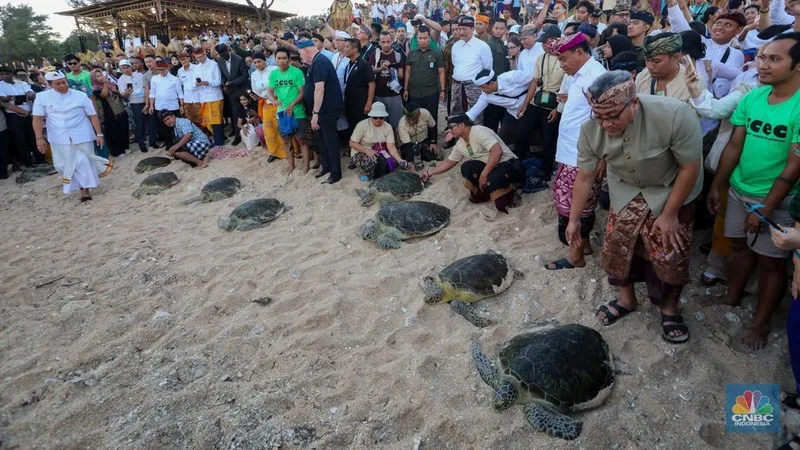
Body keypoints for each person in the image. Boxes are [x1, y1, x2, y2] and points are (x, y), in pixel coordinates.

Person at [568, 71, 702, 344]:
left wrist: (669, 213)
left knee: (669, 250)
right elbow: (585, 177)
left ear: (634, 103)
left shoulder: (675, 115)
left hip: (671, 188)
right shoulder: (590, 129)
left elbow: (690, 167)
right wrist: (574, 219)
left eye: (613, 115)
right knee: (618, 247)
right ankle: (626, 300)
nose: (605, 124)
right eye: (599, 116)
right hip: (626, 189)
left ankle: (669, 309)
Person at [705, 33, 800, 350]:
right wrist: (719, 185)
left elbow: (793, 167)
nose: (763, 64)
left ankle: (759, 325)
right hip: (738, 189)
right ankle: (732, 297)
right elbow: (734, 145)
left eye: (774, 59)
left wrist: (767, 209)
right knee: (740, 248)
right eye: (761, 57)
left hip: (780, 201)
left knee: (771, 263)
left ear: (797, 66)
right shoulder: (754, 97)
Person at [543, 32, 606, 271]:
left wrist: (602, 157)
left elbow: (604, 119)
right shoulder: (580, 75)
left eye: (564, 58)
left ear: (580, 52)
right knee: (574, 202)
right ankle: (584, 246)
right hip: (571, 151)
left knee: (574, 206)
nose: (561, 64)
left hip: (582, 155)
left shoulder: (596, 77)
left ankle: (575, 255)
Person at [32, 72, 111, 202]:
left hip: (82, 134)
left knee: (83, 162)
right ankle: (78, 185)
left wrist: (99, 134)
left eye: (64, 82)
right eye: (58, 83)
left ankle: (85, 191)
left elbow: (92, 115)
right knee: (62, 165)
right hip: (59, 137)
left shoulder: (80, 96)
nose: (62, 85)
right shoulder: (42, 98)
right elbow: (37, 119)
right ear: (50, 84)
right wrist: (39, 138)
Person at [421, 114, 522, 212]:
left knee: (494, 180)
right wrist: (429, 173)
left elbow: (497, 152)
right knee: (467, 167)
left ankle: (513, 191)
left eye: (451, 127)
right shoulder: (460, 143)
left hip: (508, 163)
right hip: (491, 166)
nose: (449, 131)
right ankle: (484, 195)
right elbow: (449, 162)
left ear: (462, 125)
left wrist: (484, 174)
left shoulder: (479, 132)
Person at [518, 25, 564, 180]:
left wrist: (558, 109)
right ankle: (520, 163)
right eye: (542, 42)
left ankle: (546, 170)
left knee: (549, 138)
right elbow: (534, 82)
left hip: (554, 103)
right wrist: (525, 104)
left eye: (546, 42)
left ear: (555, 40)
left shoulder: (565, 58)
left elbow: (568, 88)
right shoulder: (541, 58)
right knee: (522, 131)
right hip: (537, 101)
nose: (543, 45)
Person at [299, 37, 345, 184]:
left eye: (301, 54)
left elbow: (320, 89)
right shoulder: (316, 61)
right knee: (321, 139)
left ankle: (336, 174)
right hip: (320, 110)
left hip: (326, 110)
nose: (301, 58)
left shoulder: (321, 62)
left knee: (330, 140)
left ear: (306, 51)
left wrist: (315, 113)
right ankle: (326, 167)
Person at [268, 48, 312, 175]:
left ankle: (306, 167)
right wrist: (273, 99)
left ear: (289, 59)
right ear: (275, 59)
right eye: (279, 58)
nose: (282, 61)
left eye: (284, 58)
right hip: (282, 113)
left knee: (301, 139)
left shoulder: (297, 72)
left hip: (297, 111)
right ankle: (291, 166)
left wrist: (292, 104)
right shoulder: (274, 74)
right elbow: (270, 90)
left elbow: (302, 92)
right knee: (286, 141)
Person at [635, 33, 701, 104]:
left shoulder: (693, 83)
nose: (650, 66)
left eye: (656, 61)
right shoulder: (642, 76)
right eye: (647, 60)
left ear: (676, 57)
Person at [450, 15, 494, 120]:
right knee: (457, 117)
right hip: (457, 87)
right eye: (459, 29)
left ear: (472, 29)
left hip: (474, 88)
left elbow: (487, 68)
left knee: (474, 117)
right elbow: (455, 64)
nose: (461, 32)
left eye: (464, 29)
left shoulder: (482, 46)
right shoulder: (456, 46)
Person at [349, 101, 407, 178]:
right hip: (362, 151)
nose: (378, 119)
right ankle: (370, 175)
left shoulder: (388, 127)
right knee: (376, 162)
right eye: (375, 117)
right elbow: (352, 143)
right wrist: (366, 151)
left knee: (395, 160)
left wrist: (400, 160)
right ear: (371, 116)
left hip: (381, 151)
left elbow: (391, 147)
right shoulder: (362, 125)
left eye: (381, 117)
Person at [404, 26, 445, 131]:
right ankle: (418, 142)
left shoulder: (437, 53)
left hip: (431, 92)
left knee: (432, 117)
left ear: (429, 39)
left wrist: (442, 90)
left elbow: (441, 72)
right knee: (415, 117)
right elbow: (407, 71)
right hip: (414, 92)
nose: (423, 40)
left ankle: (433, 142)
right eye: (420, 38)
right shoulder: (411, 54)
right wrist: (405, 89)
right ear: (417, 39)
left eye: (425, 38)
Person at [0, 66, 40, 167]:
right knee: (20, 139)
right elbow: (4, 99)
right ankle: (28, 163)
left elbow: (30, 92)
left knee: (34, 137)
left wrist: (29, 94)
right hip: (14, 116)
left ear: (12, 74)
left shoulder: (22, 83)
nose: (4, 76)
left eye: (6, 73)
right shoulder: (0, 86)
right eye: (1, 74)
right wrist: (17, 98)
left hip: (30, 113)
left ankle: (40, 160)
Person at [250, 52, 284, 162]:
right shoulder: (254, 74)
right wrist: (259, 96)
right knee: (269, 129)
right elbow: (255, 89)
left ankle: (287, 150)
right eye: (255, 62)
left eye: (259, 61)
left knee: (281, 127)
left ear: (264, 60)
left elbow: (280, 84)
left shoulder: (274, 70)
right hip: (265, 103)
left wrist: (274, 96)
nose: (257, 64)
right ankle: (274, 152)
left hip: (278, 101)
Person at [369, 31, 406, 127]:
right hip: (378, 95)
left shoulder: (398, 55)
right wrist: (380, 68)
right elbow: (370, 71)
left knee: (397, 124)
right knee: (379, 124)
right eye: (383, 42)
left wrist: (392, 70)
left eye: (388, 42)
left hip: (395, 95)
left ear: (392, 41)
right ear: (379, 43)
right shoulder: (375, 55)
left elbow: (401, 75)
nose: (386, 44)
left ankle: (396, 141)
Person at [91, 69, 130, 157]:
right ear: (94, 78)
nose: (100, 78)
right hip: (108, 113)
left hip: (120, 109)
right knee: (113, 132)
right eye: (97, 76)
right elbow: (104, 95)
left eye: (101, 75)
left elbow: (119, 94)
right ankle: (117, 151)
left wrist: (124, 94)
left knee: (123, 128)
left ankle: (125, 147)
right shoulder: (95, 89)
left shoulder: (112, 84)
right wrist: (105, 83)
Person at [216, 44, 249, 146]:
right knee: (235, 113)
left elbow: (245, 76)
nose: (223, 56)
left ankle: (247, 133)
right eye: (221, 55)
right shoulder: (220, 61)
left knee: (244, 112)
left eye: (224, 54)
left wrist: (232, 82)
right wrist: (224, 82)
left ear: (228, 50)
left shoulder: (239, 59)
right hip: (231, 91)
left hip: (242, 90)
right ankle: (237, 135)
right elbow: (223, 76)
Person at [344, 39, 376, 139]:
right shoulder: (349, 64)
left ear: (355, 50)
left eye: (347, 47)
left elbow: (372, 84)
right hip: (350, 103)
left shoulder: (364, 64)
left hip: (361, 104)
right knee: (352, 128)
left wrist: (369, 103)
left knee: (363, 129)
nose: (344, 49)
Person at [193, 47, 226, 146]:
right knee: (207, 121)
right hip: (203, 97)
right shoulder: (196, 67)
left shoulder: (213, 64)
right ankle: (218, 138)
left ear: (204, 54)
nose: (200, 59)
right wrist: (196, 84)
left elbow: (218, 81)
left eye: (201, 57)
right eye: (197, 58)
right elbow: (193, 83)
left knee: (216, 120)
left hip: (214, 96)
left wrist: (207, 83)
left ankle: (219, 142)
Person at [148, 60, 184, 148]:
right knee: (163, 127)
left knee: (175, 126)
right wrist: (151, 105)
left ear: (167, 68)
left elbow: (180, 93)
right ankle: (169, 144)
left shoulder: (175, 79)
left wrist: (182, 105)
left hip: (172, 105)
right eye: (159, 70)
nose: (161, 71)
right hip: (159, 106)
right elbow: (152, 92)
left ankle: (179, 144)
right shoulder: (154, 79)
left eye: (163, 69)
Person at [117, 59, 148, 153]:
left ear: (131, 67)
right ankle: (141, 143)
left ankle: (149, 139)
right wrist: (126, 93)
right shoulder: (121, 80)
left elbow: (145, 87)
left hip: (145, 99)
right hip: (135, 102)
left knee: (147, 121)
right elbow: (123, 94)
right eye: (123, 68)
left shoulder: (139, 75)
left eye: (127, 67)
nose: (126, 69)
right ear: (121, 69)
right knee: (139, 123)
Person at [397, 102, 438, 168]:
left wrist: (433, 142)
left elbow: (433, 126)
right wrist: (411, 163)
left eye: (413, 119)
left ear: (419, 114)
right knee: (408, 160)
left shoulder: (425, 113)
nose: (411, 121)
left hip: (424, 140)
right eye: (408, 119)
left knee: (434, 155)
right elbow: (408, 146)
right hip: (410, 144)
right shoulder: (402, 125)